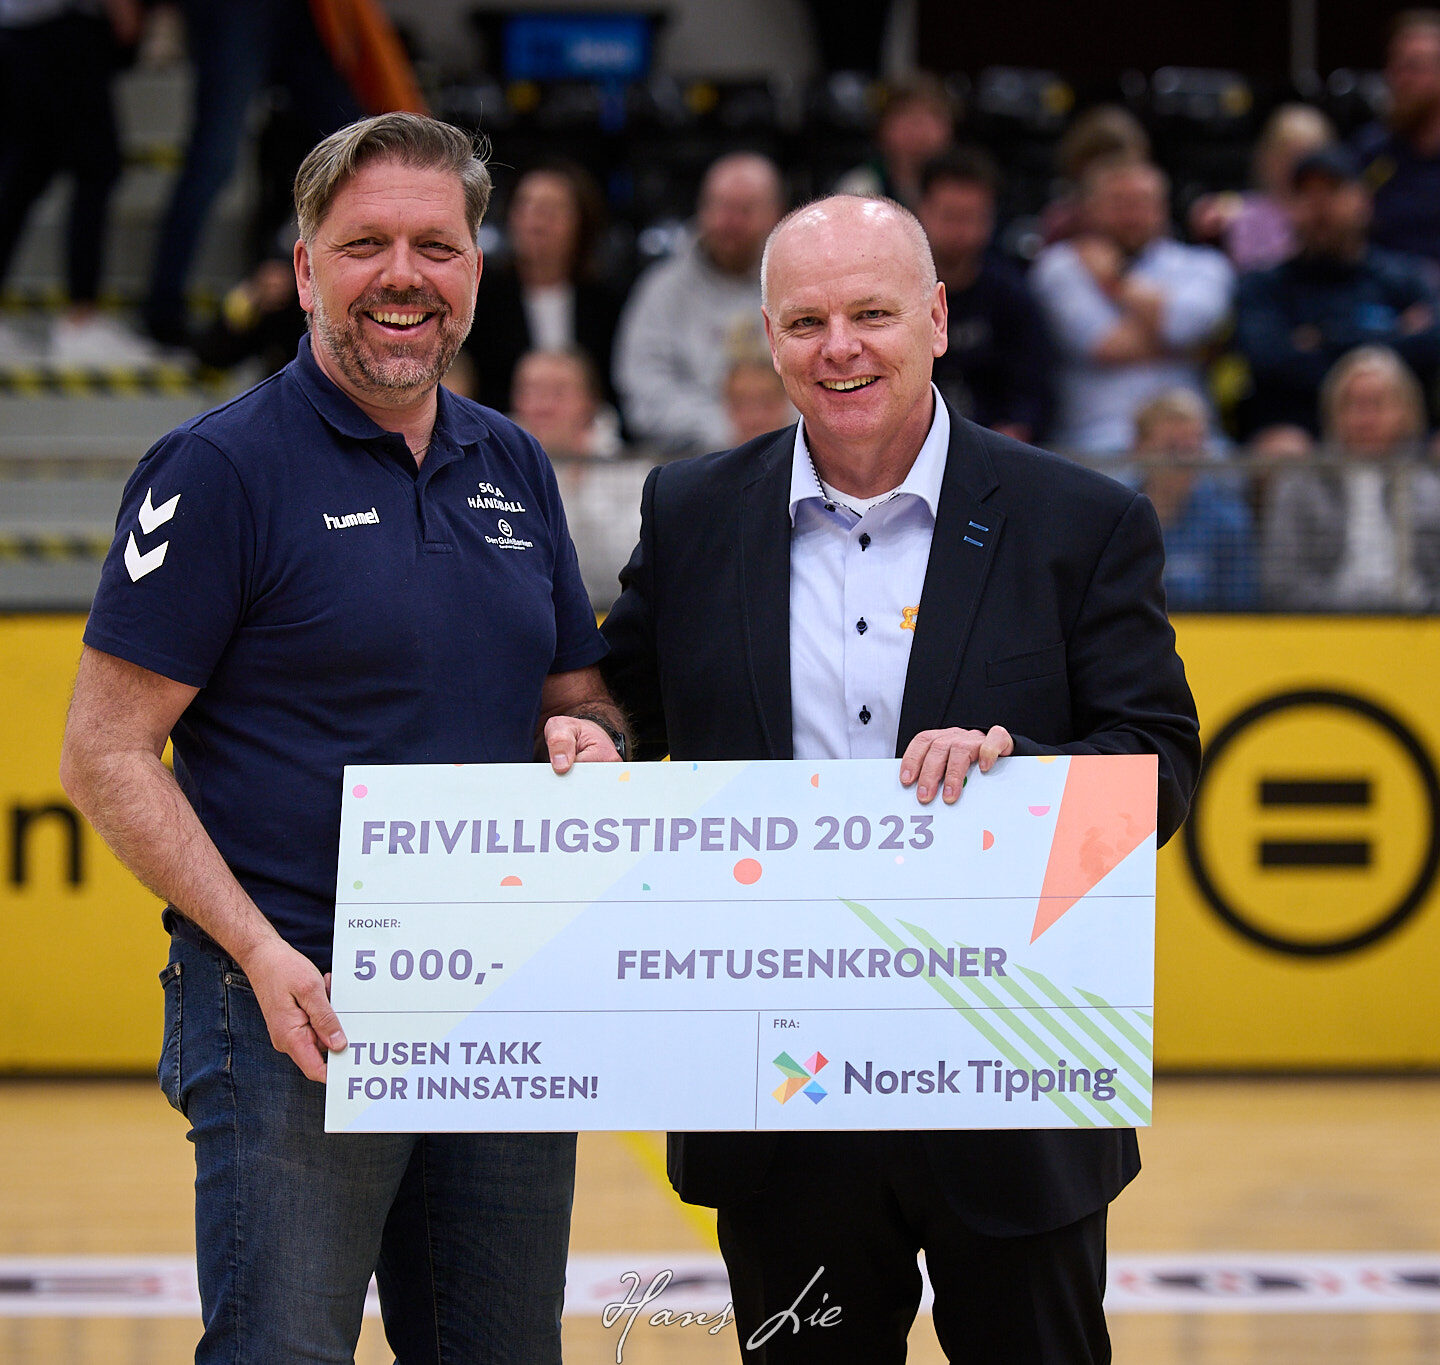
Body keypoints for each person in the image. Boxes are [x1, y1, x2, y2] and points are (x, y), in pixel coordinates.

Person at [59, 113, 627, 1363]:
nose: (403, 276)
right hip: (293, 1006)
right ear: (307, 269)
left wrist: (591, 739)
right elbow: (104, 753)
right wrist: (259, 951)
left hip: (499, 1004)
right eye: (366, 244)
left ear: (475, 268)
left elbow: (578, 695)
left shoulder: (515, 461)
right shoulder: (215, 469)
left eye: (437, 245)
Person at [599, 194, 1201, 1363]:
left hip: (1011, 1078)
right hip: (779, 1093)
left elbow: (1161, 764)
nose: (840, 349)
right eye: (806, 321)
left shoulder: (1080, 521)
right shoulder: (691, 513)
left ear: (935, 318)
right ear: (769, 338)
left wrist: (1024, 774)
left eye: (871, 314)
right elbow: (624, 710)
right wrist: (591, 737)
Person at [1030, 155, 1234, 459]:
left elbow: (1184, 325)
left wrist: (1116, 279)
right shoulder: (1059, 266)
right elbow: (1105, 344)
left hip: (1196, 442)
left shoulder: (1204, 265)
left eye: (1142, 202)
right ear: (1089, 209)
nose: (1132, 215)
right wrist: (1186, 346)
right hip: (1098, 443)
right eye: (1118, 203)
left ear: (1163, 207)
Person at [1234, 144, 1440, 436]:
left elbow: (1432, 346)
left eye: (1332, 191)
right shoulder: (1263, 286)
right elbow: (1267, 360)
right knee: (1283, 446)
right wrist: (1393, 334)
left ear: (1363, 201)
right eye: (1306, 194)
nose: (1320, 206)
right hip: (1301, 431)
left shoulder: (1405, 277)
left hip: (1401, 437)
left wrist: (1324, 338)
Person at [0, 0, 158, 366]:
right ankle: (81, 317)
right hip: (57, 27)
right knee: (95, 167)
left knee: (28, 171)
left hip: (24, 28)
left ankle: (81, 316)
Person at [612, 152, 785, 453]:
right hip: (689, 458)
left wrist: (783, 429)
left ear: (776, 214)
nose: (730, 222)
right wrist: (727, 429)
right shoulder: (661, 290)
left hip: (795, 453)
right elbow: (642, 389)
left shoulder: (801, 286)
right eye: (720, 207)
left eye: (745, 210)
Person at [1262, 344, 1440, 609]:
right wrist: (1342, 616)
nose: (1365, 419)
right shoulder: (1300, 483)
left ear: (1406, 411)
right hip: (1324, 625)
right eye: (1353, 404)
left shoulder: (1432, 482)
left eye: (1377, 404)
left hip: (1422, 623)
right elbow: (1281, 581)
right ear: (1332, 411)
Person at [917, 146, 1053, 443]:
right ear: (923, 211)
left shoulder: (1012, 295)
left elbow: (1032, 393)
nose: (961, 231)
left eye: (973, 218)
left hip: (993, 448)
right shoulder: (898, 294)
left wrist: (1011, 436)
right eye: (950, 216)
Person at [463, 161, 625, 412]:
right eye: (525, 207)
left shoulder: (606, 306)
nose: (536, 223)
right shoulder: (480, 299)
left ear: (581, 222)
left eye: (550, 211)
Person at [1132, 390, 1257, 611]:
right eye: (1171, 448)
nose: (1184, 460)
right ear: (1140, 448)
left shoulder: (1228, 520)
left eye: (1191, 449)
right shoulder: (1115, 514)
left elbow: (1239, 608)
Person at [1188, 103, 1336, 273]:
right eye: (1286, 155)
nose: (1294, 165)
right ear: (1267, 156)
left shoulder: (1335, 215)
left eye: (1305, 156)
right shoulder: (1241, 209)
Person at [1354, 9, 1440, 271]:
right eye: (1394, 66)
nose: (1398, 79)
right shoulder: (1371, 151)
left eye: (1413, 67)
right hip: (1383, 286)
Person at [832, 74, 957, 209]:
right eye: (907, 117)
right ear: (882, 128)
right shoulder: (859, 188)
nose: (919, 130)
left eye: (932, 117)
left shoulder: (963, 187)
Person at [510, 346, 620, 458]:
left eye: (559, 394)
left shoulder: (621, 463)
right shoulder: (501, 458)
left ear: (589, 402)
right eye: (532, 393)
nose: (544, 406)